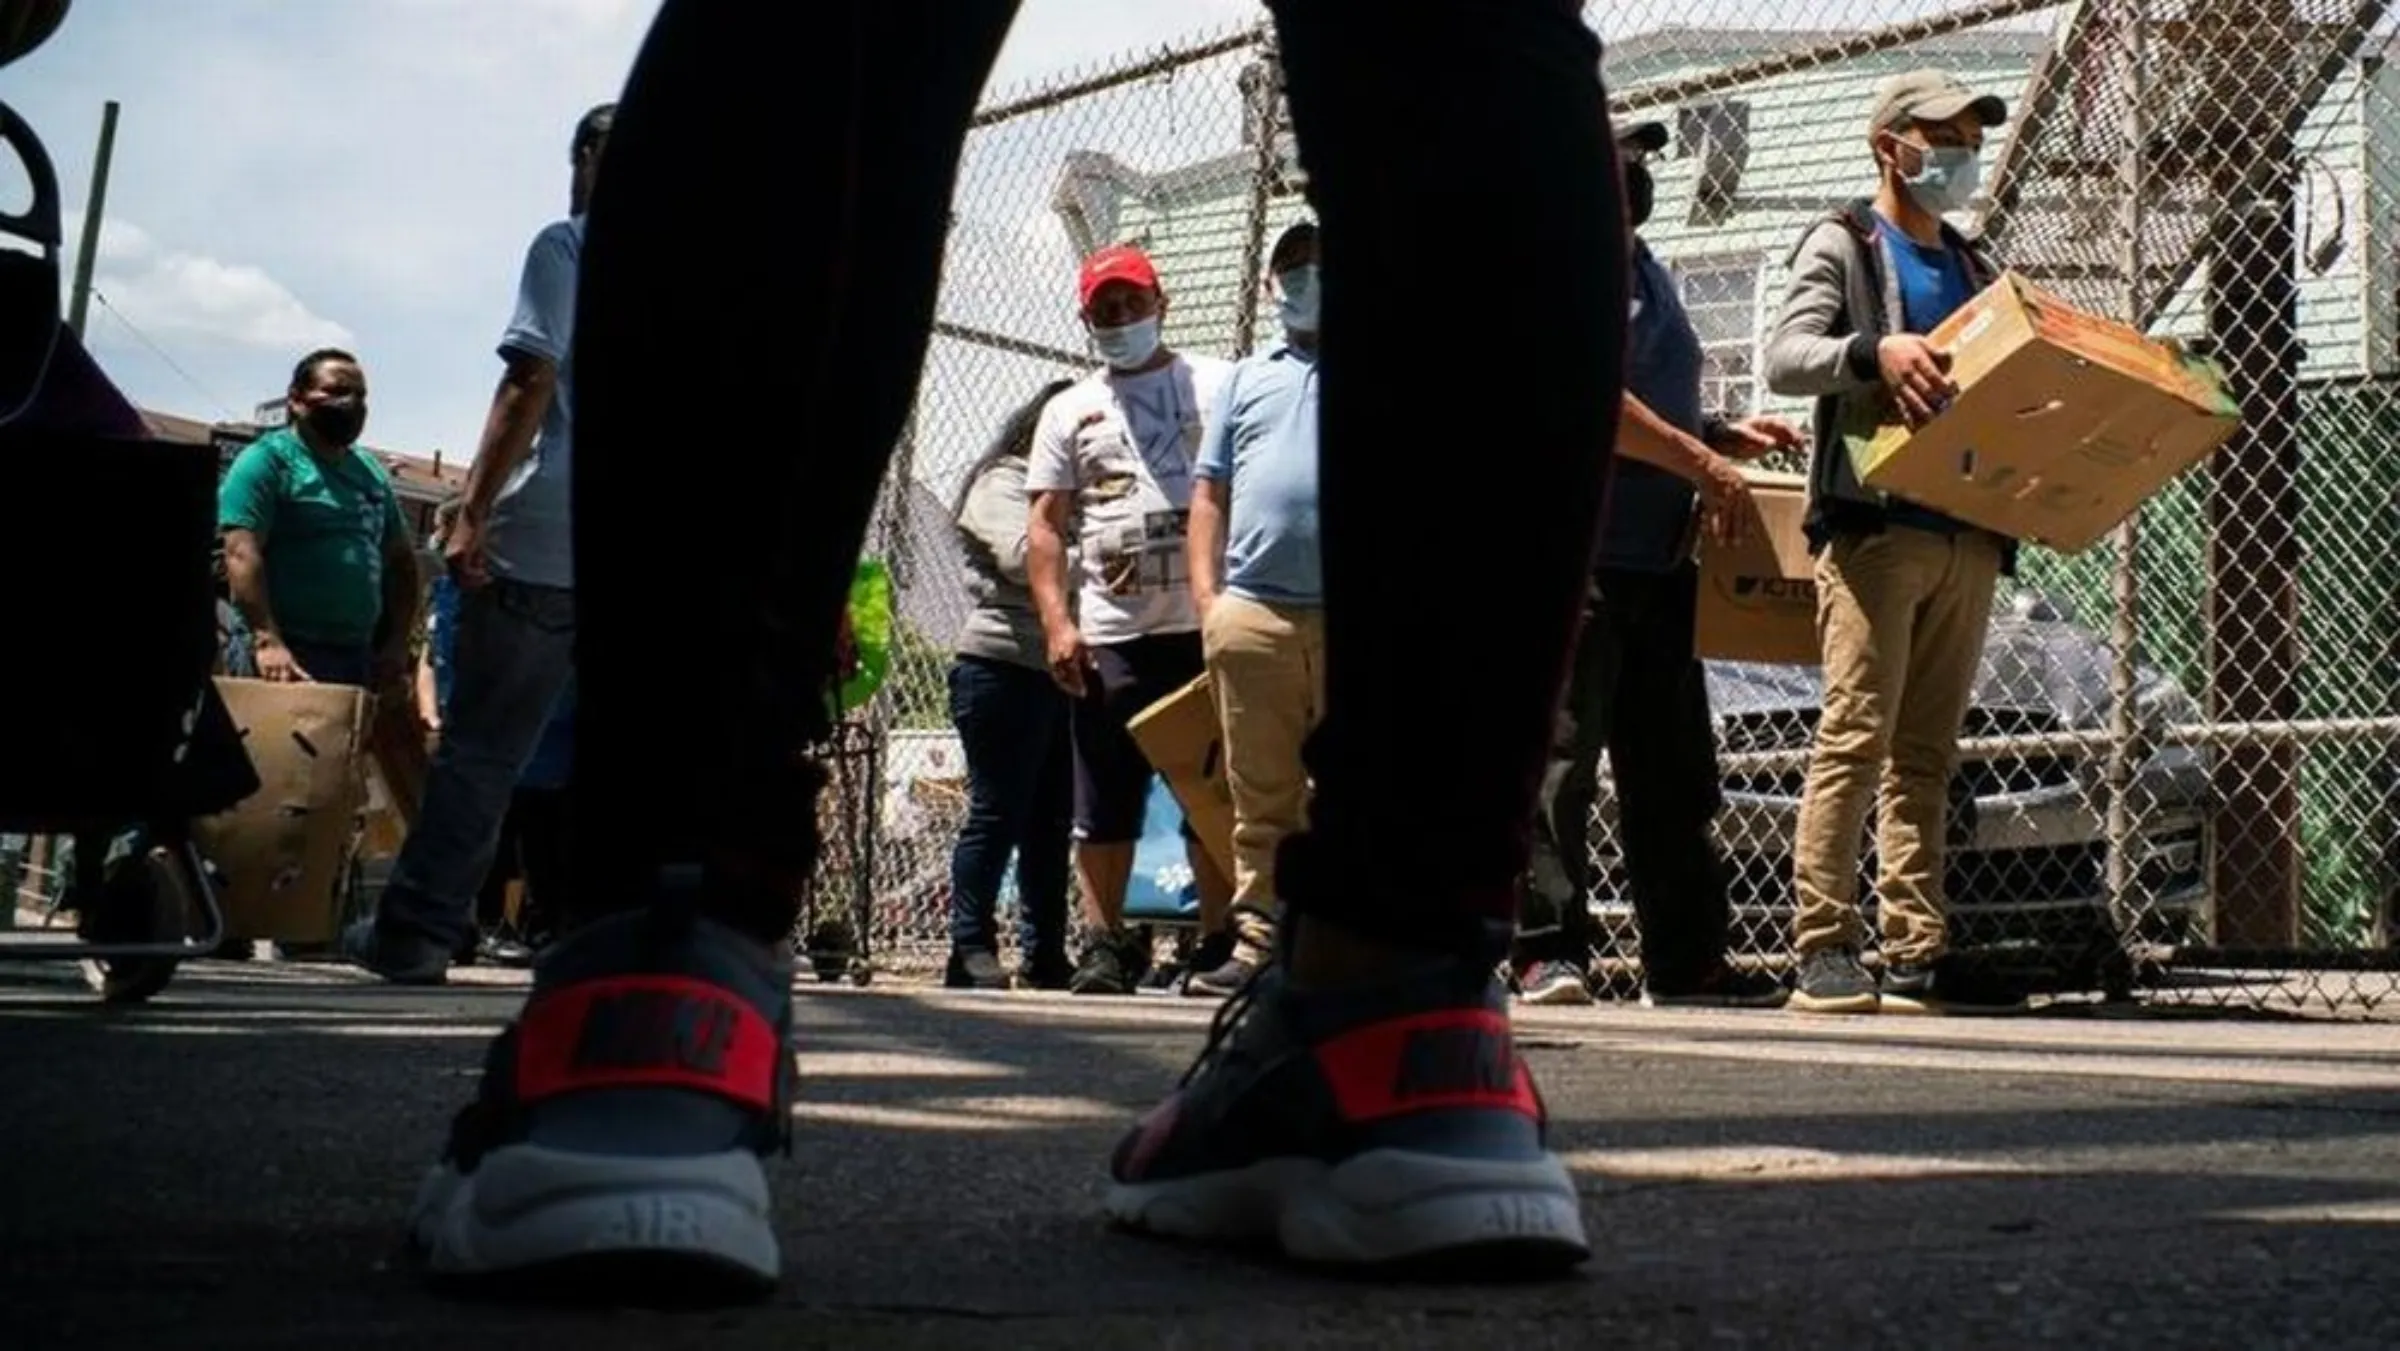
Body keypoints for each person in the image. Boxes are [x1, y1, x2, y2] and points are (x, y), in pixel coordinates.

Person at [403, 0, 1623, 1297]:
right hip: (1164, 622)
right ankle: (1414, 1000)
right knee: (1463, 37)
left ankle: (656, 985)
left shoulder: (1202, 389)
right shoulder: (1095, 411)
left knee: (842, 34)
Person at [1510, 120, 1804, 1010]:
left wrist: (1722, 435)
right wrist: (1703, 462)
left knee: (1674, 769)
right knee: (1561, 760)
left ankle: (1689, 961)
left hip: (1661, 559)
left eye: (1635, 161)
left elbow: (1656, 402)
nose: (1628, 175)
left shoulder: (1646, 268)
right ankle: (1545, 953)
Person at [1761, 69, 2024, 1015]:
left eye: (1968, 137)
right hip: (1877, 529)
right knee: (1856, 735)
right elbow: (1787, 359)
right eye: (1943, 136)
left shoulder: (1972, 263)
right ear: (1890, 146)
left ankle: (1917, 946)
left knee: (1927, 750)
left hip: (1964, 533)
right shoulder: (1845, 242)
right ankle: (1823, 944)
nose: (1960, 155)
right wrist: (1875, 353)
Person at [340, 104, 610, 984]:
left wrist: (472, 507)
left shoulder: (567, 246)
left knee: (485, 748)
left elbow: (532, 374)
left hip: (548, 538)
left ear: (582, 159)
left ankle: (418, 931)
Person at [1024, 243, 1236, 997]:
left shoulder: (1219, 382)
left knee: (1211, 788)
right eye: (1105, 310)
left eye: (1131, 303)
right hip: (1112, 632)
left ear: (1161, 303)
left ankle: (1218, 938)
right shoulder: (1068, 408)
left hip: (1206, 621)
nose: (1120, 319)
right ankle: (1107, 942)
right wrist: (1058, 621)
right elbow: (1047, 527)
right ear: (1088, 319)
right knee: (1103, 797)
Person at [1181, 218, 1322, 998]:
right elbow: (1210, 494)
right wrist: (1211, 602)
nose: (1309, 279)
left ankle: (1335, 944)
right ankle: (1260, 938)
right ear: (1271, 285)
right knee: (1260, 792)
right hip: (1255, 614)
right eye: (1294, 267)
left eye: (1323, 265)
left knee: (1353, 791)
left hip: (1351, 617)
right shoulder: (1244, 378)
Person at [944, 378, 1078, 990]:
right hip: (1001, 665)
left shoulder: (1071, 493)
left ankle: (1044, 950)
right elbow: (1027, 557)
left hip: (1059, 671)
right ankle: (969, 948)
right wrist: (1098, 545)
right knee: (997, 812)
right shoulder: (1004, 480)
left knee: (1051, 819)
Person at [418, 497, 573, 967]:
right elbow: (432, 656)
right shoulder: (454, 591)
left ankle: (538, 925)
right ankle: (473, 924)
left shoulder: (522, 579)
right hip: (488, 721)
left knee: (536, 827)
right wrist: (432, 711)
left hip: (544, 726)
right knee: (491, 823)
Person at [218, 349, 418, 689]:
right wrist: (268, 640)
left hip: (357, 655)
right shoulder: (267, 461)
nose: (351, 403)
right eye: (338, 391)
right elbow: (240, 554)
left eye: (360, 395)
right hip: (286, 654)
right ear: (296, 400)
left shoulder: (370, 472)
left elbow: (401, 562)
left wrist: (397, 643)